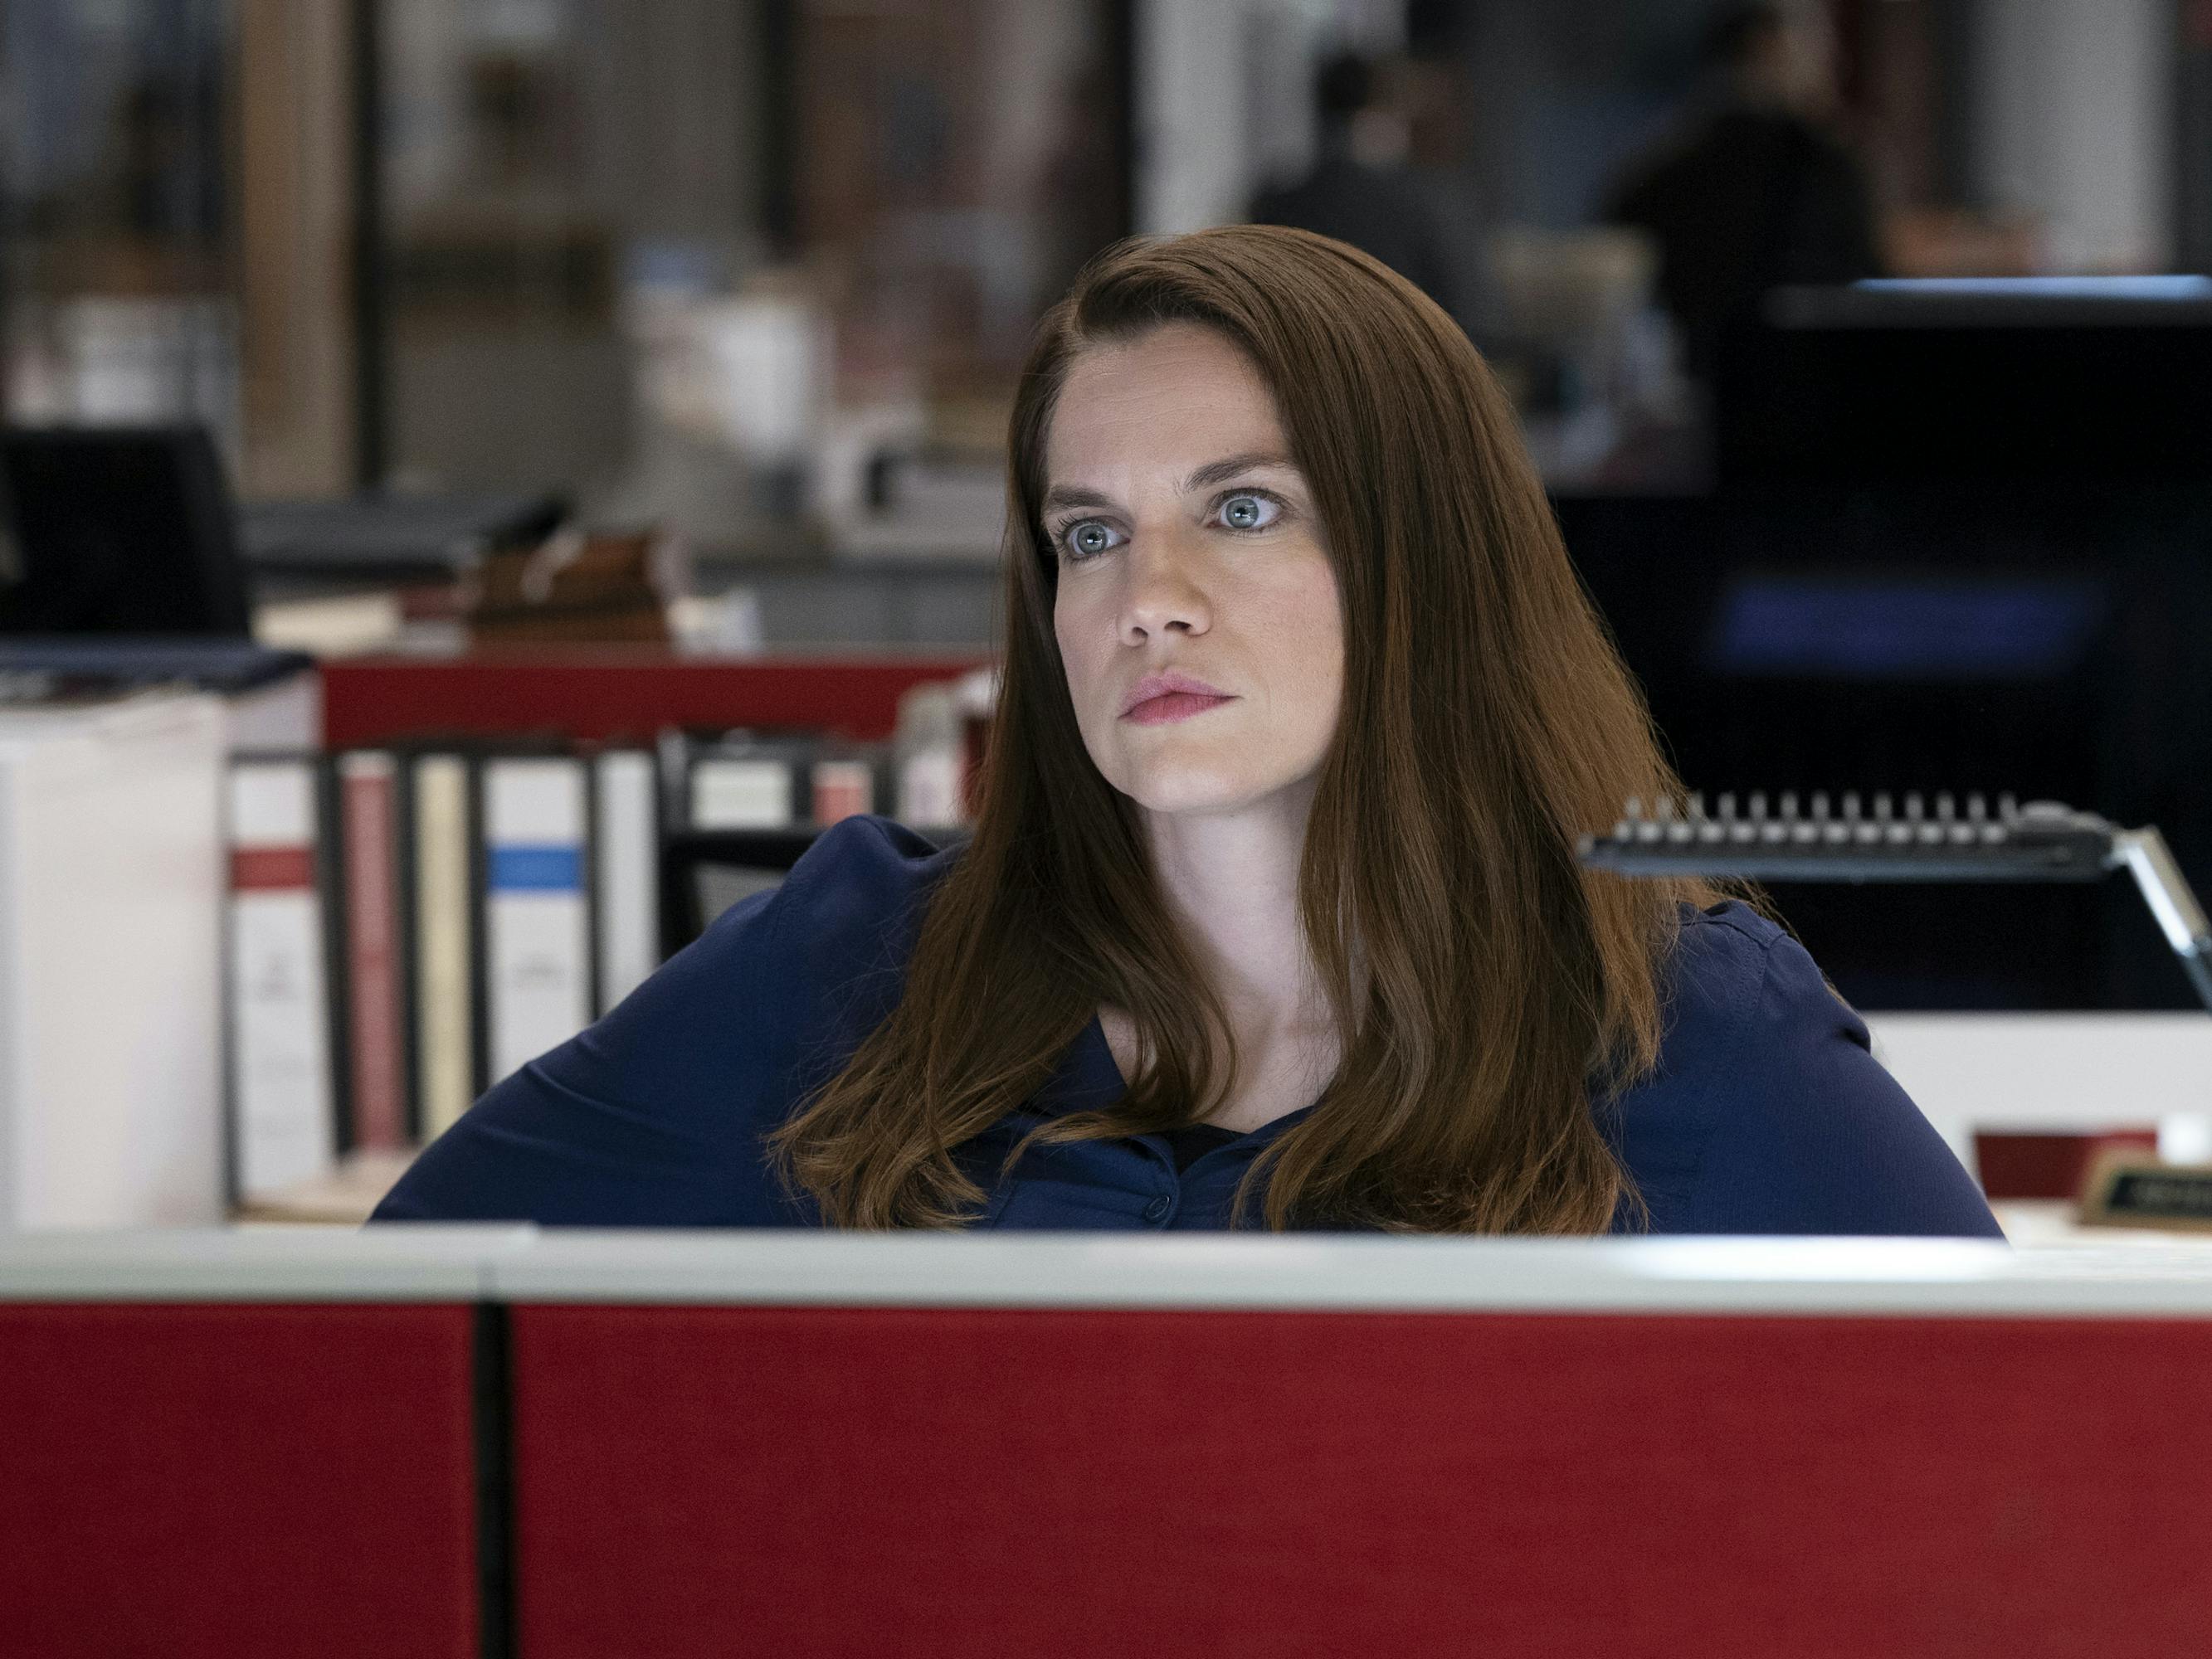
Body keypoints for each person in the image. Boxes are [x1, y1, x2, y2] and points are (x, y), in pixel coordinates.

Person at [373, 224, 1998, 1237]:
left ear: (1416, 554)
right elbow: (389, 1349)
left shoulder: (1686, 1032)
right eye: (1088, 535)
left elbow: (2025, 1486)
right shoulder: (855, 959)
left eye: (1237, 509)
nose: (1144, 595)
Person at [1601, 2, 1883, 382]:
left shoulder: (1655, 171)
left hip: (1697, 407)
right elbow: (1871, 290)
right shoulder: (1827, 167)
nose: (1832, 58)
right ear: (1767, 46)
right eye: (1817, 40)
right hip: (1819, 396)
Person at [1249, 52, 1462, 326]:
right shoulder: (1420, 204)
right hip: (1398, 354)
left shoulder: (1277, 201)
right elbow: (1456, 308)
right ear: (1380, 113)